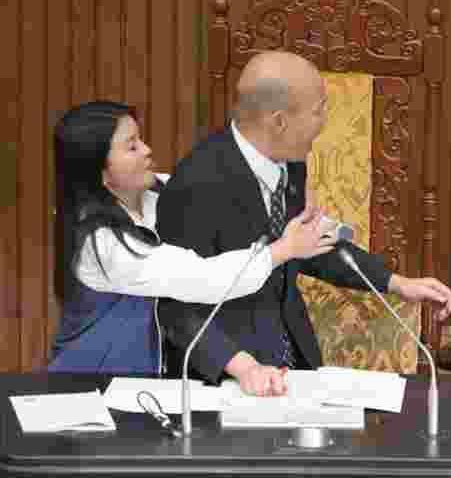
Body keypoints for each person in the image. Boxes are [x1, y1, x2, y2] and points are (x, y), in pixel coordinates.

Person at [156, 51, 451, 396]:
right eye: (319, 110)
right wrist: (244, 367)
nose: (325, 120)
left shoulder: (289, 162)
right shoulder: (197, 183)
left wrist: (396, 282)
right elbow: (175, 307)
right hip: (223, 378)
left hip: (295, 363)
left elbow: (310, 245)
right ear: (279, 121)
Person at [49, 100, 338, 375]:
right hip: (94, 383)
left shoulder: (165, 192)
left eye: (141, 139)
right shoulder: (101, 243)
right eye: (132, 147)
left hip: (147, 383)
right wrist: (283, 249)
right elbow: (201, 278)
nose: (147, 150)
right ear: (101, 173)